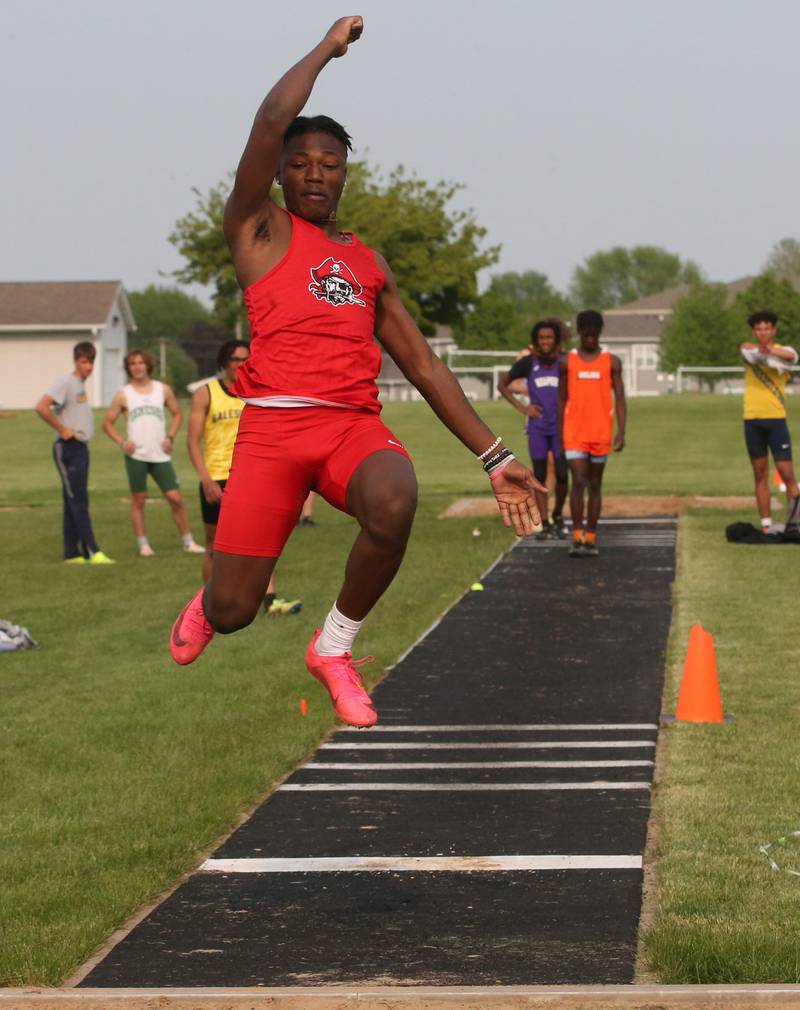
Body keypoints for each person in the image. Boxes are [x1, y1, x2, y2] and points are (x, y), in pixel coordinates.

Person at [168, 15, 544, 728]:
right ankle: (212, 600)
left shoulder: (368, 262)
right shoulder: (259, 229)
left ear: (346, 174)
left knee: (396, 498)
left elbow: (425, 365)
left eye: (330, 163)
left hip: (348, 430)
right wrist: (327, 50)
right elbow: (271, 116)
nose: (315, 172)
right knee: (236, 609)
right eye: (301, 161)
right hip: (274, 434)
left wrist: (496, 459)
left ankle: (333, 647)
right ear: (278, 170)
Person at [186, 339, 301, 615]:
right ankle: (208, 607)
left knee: (264, 539)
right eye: (236, 359)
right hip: (216, 477)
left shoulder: (257, 391)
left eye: (246, 359)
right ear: (224, 362)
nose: (242, 364)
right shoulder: (206, 393)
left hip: (252, 476)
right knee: (214, 547)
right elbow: (192, 441)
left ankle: (270, 600)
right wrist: (206, 480)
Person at [102, 349, 204, 557]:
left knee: (175, 497)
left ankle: (188, 541)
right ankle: (143, 544)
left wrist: (171, 437)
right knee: (139, 499)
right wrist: (122, 442)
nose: (137, 367)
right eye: (132, 364)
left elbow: (177, 414)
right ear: (128, 368)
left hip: (160, 454)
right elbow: (107, 423)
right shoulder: (124, 395)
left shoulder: (162, 390)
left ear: (148, 365)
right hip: (136, 455)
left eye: (140, 363)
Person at [35, 341, 114, 564]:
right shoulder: (66, 382)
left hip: (81, 448)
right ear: (75, 361)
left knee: (72, 500)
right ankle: (92, 550)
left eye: (91, 362)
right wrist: (63, 429)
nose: (88, 366)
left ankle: (72, 553)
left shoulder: (80, 384)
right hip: (67, 448)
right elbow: (41, 406)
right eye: (83, 361)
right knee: (79, 500)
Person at [558, 310, 626, 557]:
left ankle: (591, 536)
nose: (589, 337)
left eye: (593, 333)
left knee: (595, 484)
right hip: (574, 432)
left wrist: (621, 431)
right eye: (585, 333)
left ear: (599, 332)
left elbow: (620, 398)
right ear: (579, 332)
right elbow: (561, 398)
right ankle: (577, 535)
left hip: (601, 432)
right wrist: (558, 431)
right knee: (578, 481)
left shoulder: (612, 362)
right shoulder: (567, 362)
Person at [498, 319, 568, 539]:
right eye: (541, 338)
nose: (545, 341)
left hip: (560, 428)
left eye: (549, 337)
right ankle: (545, 523)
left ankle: (557, 515)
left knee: (563, 475)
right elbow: (503, 384)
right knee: (538, 475)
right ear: (535, 341)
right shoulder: (529, 363)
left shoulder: (564, 361)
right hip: (538, 428)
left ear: (556, 340)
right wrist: (523, 408)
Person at [740, 309, 800, 533]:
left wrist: (770, 352)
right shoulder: (747, 350)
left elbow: (791, 356)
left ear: (773, 330)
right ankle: (766, 525)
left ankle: (794, 523)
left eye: (767, 328)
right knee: (760, 474)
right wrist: (765, 353)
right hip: (752, 420)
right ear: (754, 332)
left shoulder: (785, 352)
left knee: (787, 474)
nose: (763, 332)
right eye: (758, 329)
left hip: (776, 420)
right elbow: (750, 355)